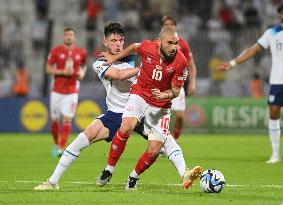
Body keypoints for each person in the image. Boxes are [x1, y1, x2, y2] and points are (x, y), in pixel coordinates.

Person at [34, 23, 199, 190]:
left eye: (120, 40)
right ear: (105, 42)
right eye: (113, 40)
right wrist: (143, 68)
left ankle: (184, 173)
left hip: (143, 107)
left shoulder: (135, 56)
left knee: (166, 141)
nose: (118, 44)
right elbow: (119, 75)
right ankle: (52, 182)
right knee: (82, 139)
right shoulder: (100, 62)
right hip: (116, 113)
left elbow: (147, 54)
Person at [97, 28, 202, 191]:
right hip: (140, 94)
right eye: (170, 43)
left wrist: (163, 95)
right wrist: (114, 57)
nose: (173, 47)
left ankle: (133, 177)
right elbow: (133, 47)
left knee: (153, 151)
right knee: (126, 127)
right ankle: (109, 169)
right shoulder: (147, 47)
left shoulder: (181, 62)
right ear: (159, 42)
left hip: (161, 105)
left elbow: (175, 91)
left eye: (176, 43)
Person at [219, 4, 283, 164]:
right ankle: (275, 154)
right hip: (277, 81)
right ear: (280, 14)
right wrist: (232, 63)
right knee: (274, 113)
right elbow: (252, 51)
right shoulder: (272, 33)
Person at [46, 27, 87, 157]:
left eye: (71, 35)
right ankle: (56, 143)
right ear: (63, 37)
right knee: (54, 120)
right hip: (57, 90)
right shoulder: (55, 51)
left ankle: (61, 147)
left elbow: (84, 65)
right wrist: (62, 72)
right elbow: (48, 69)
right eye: (67, 35)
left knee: (67, 119)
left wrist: (82, 72)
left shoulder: (81, 52)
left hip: (72, 90)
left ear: (74, 37)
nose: (69, 37)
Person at [160, 15, 197, 140]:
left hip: (177, 84)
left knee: (180, 116)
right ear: (162, 27)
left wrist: (192, 83)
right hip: (161, 85)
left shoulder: (183, 44)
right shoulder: (157, 42)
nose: (169, 26)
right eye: (166, 24)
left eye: (171, 24)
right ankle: (162, 144)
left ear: (175, 27)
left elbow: (191, 65)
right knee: (161, 117)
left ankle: (174, 139)